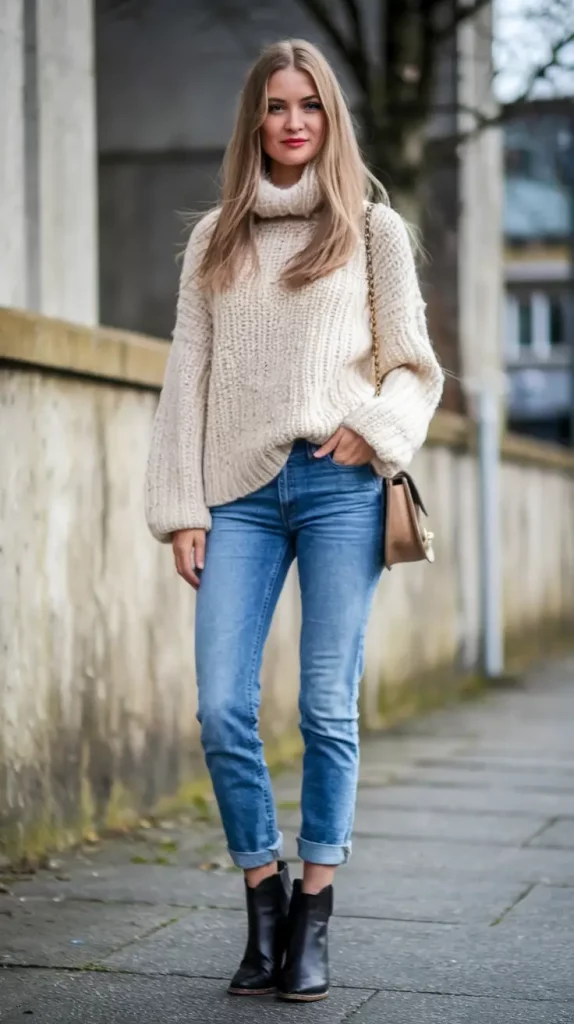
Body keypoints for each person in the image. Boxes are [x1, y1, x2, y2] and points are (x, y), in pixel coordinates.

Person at [145, 38, 443, 1003]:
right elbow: (184, 378)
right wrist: (179, 509)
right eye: (276, 106)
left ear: (330, 118)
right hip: (236, 496)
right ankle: (262, 897)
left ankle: (313, 916)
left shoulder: (370, 231)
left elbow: (414, 365)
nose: (293, 121)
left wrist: (377, 428)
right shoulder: (215, 240)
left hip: (335, 489)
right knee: (224, 707)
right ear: (255, 121)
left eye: (309, 105)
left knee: (325, 707)